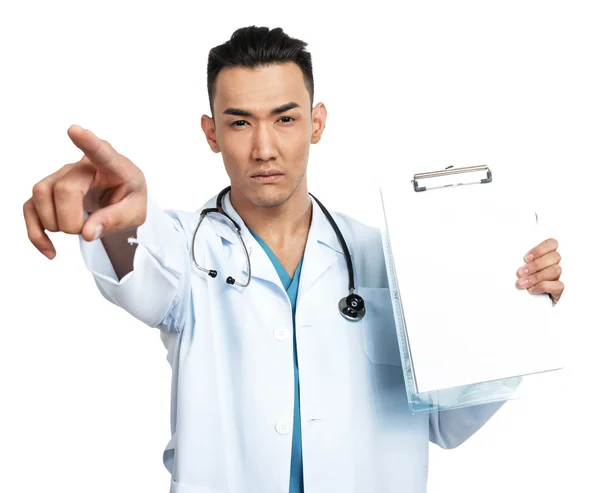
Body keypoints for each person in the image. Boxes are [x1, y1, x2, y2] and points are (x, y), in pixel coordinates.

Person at [23, 26, 564, 493]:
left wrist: (515, 311)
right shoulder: (189, 246)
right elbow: (141, 277)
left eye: (284, 119)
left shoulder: (386, 256)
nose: (264, 148)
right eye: (239, 123)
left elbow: (449, 422)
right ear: (211, 133)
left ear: (317, 123)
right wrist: (108, 208)